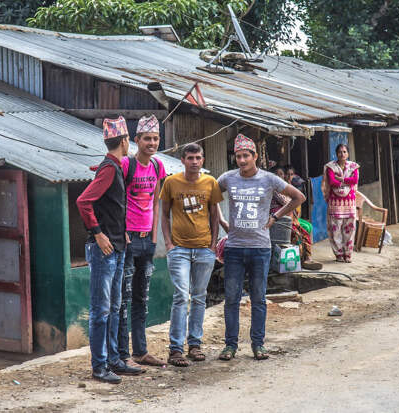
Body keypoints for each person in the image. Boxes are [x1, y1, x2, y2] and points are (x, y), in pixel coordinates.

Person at [217, 134, 305, 361]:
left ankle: (258, 345)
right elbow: (211, 198)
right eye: (238, 156)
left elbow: (298, 197)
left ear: (255, 156)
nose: (242, 160)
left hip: (260, 248)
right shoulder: (227, 178)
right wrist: (221, 221)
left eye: (246, 155)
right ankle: (230, 346)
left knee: (258, 298)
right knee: (232, 299)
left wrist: (275, 217)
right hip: (234, 248)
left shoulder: (269, 180)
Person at [76, 116, 140, 383]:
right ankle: (99, 366)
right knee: (101, 310)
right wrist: (98, 233)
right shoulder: (109, 168)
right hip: (104, 250)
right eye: (129, 141)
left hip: (117, 244)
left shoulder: (115, 167)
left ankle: (113, 359)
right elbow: (83, 202)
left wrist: (119, 230)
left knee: (114, 307)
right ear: (124, 141)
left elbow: (110, 206)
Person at [159, 143, 223, 367]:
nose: (194, 162)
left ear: (203, 160)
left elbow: (214, 215)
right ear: (182, 160)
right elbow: (164, 214)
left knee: (198, 297)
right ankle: (175, 349)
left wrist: (213, 245)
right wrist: (168, 243)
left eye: (198, 158)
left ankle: (195, 345)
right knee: (181, 296)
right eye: (190, 158)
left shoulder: (210, 183)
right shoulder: (171, 182)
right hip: (179, 250)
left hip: (204, 249)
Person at [117, 115, 167, 370]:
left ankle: (141, 351)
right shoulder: (127, 165)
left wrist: (155, 235)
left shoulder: (158, 167)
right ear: (136, 140)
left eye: (156, 138)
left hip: (147, 240)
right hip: (128, 239)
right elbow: (117, 201)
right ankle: (122, 354)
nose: (152, 143)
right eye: (147, 138)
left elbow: (156, 202)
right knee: (123, 300)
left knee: (141, 299)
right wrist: (122, 231)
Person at [322, 144, 360, 263]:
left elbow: (355, 180)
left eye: (344, 152)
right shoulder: (330, 167)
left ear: (348, 154)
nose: (342, 154)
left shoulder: (353, 167)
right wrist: (346, 182)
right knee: (335, 230)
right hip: (335, 204)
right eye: (340, 152)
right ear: (336, 154)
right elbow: (332, 182)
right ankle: (338, 254)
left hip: (349, 204)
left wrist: (342, 179)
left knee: (350, 230)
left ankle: (348, 254)